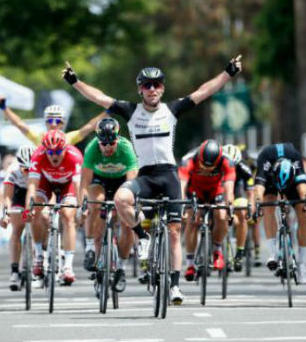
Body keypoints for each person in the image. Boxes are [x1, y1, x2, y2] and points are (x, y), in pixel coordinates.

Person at [62, 55, 242, 304]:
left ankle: (175, 287)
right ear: (140, 89)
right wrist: (75, 82)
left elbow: (203, 92)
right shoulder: (130, 111)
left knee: (175, 232)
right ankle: (143, 238)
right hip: (145, 176)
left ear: (163, 88)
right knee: (121, 200)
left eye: (157, 84)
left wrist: (228, 74)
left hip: (168, 175)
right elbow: (99, 97)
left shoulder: (172, 110)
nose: (152, 89)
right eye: (147, 85)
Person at [80, 117, 138, 293]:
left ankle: (121, 268)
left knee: (127, 225)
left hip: (122, 182)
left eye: (111, 143)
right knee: (95, 205)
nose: (106, 148)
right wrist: (83, 205)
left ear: (117, 138)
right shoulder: (92, 149)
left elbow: (132, 182)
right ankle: (91, 248)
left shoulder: (126, 148)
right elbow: (84, 183)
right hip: (100, 181)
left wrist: (129, 206)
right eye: (103, 143)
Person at [24, 130, 83, 285]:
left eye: (58, 151)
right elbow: (31, 186)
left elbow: (78, 186)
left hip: (68, 185)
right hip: (46, 183)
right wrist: (28, 209)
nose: (54, 155)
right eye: (50, 151)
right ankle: (38, 256)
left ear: (65, 149)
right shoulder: (38, 156)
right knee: (37, 211)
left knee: (68, 216)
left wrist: (82, 207)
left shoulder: (75, 156)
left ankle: (68, 266)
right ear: (44, 150)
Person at [254, 143, 306, 284]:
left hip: (291, 182)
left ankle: (302, 263)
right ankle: (272, 253)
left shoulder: (295, 159)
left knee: (303, 212)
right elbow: (259, 190)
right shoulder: (265, 159)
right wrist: (257, 206)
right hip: (271, 182)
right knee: (268, 208)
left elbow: (303, 190)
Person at [179, 140, 235, 280]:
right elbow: (182, 185)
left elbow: (229, 188)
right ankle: (190, 264)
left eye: (212, 166)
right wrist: (181, 207)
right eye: (203, 165)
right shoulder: (188, 160)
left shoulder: (227, 161)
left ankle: (217, 250)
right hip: (195, 192)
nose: (207, 169)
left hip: (216, 191)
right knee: (192, 219)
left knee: (221, 215)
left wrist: (230, 207)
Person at [0, 146, 36, 291]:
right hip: (18, 194)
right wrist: (6, 214)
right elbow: (7, 197)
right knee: (16, 229)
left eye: (30, 169)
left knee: (42, 219)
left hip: (37, 193)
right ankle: (15, 270)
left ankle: (41, 256)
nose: (27, 172)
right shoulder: (13, 171)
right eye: (24, 170)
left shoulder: (40, 169)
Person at [0, 96, 105, 145]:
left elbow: (90, 126)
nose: (53, 124)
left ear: (63, 123)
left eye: (58, 121)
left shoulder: (68, 138)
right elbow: (19, 124)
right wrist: (4, 108)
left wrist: (109, 111)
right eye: (50, 121)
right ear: (45, 122)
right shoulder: (38, 137)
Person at [222, 144, 254, 271]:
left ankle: (239, 253)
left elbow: (251, 192)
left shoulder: (244, 169)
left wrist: (250, 208)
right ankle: (221, 248)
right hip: (222, 189)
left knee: (241, 214)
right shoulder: (218, 165)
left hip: (238, 189)